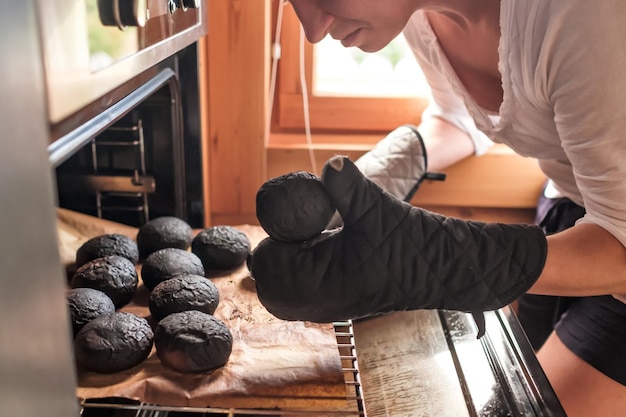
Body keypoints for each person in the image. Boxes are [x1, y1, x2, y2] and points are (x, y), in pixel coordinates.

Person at [249, 1, 626, 415]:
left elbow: (619, 240)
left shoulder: (581, 14)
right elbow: (459, 117)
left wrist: (437, 260)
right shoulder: (419, 15)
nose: (313, 30)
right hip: (567, 219)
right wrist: (378, 176)